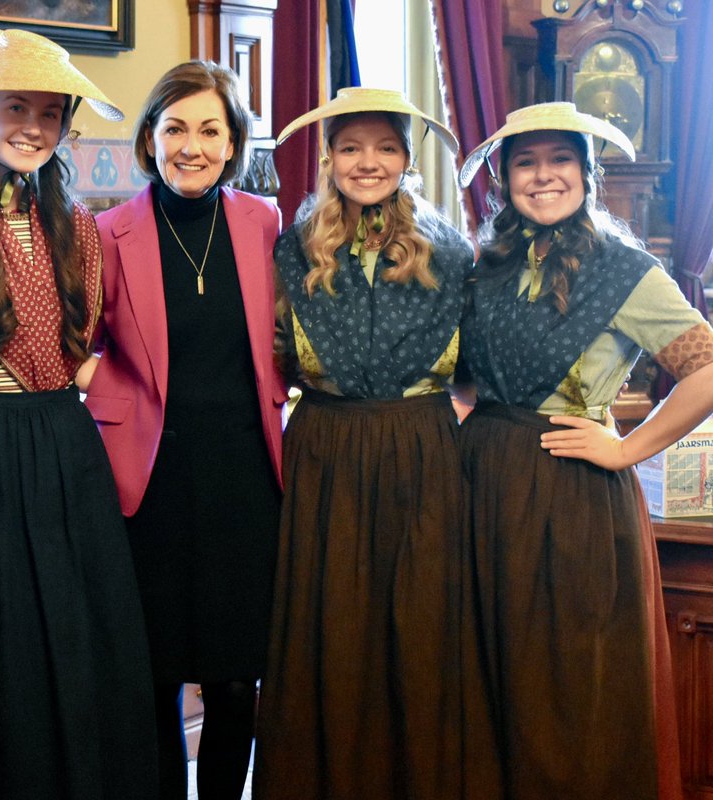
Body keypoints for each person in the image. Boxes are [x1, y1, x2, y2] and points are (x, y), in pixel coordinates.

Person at [0, 26, 158, 800]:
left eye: (48, 113)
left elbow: (100, 349)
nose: (31, 126)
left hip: (62, 444)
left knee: (78, 634)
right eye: (15, 107)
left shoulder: (80, 228)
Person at [456, 101, 710, 800]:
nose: (544, 177)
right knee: (488, 678)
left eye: (560, 160)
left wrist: (629, 448)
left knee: (568, 688)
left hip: (572, 495)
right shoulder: (486, 266)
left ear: (586, 172)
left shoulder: (624, 269)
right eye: (526, 162)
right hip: (482, 490)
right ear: (504, 178)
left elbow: (709, 369)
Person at [252, 88, 494, 800]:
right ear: (328, 159)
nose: (368, 162)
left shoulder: (450, 251)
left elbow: (475, 367)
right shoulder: (294, 249)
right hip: (323, 449)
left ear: (406, 159)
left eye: (385, 147)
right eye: (351, 148)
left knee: (418, 632)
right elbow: (272, 351)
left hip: (421, 448)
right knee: (327, 630)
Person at [78, 60, 285, 800]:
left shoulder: (264, 224)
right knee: (154, 673)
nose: (190, 146)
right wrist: (112, 393)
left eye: (209, 130)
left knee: (235, 677)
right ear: (149, 138)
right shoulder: (107, 232)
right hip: (148, 482)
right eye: (175, 129)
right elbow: (72, 343)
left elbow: (287, 340)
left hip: (246, 480)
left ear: (233, 144)